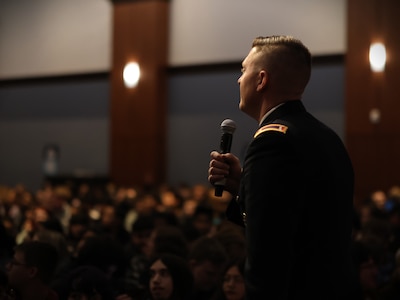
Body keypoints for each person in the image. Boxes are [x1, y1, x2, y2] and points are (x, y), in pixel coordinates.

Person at [208, 35, 359, 299]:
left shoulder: (272, 141)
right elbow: (296, 221)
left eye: (244, 70)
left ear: (262, 80)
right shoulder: (326, 136)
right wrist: (242, 185)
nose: (238, 79)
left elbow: (267, 251)